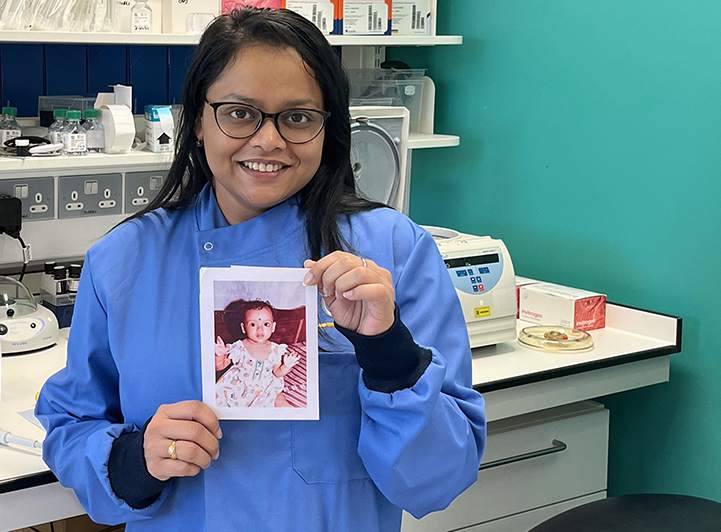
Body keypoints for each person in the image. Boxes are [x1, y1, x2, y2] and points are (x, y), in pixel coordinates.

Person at [35, 7, 487, 531]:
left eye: (297, 117)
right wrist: (134, 461)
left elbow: (442, 478)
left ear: (326, 129)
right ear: (199, 122)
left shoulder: (392, 251)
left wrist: (387, 351)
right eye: (240, 112)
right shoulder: (124, 261)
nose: (268, 140)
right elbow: (72, 424)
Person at [214, 300, 300, 408]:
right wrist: (220, 355)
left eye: (266, 324)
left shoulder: (276, 350)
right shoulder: (239, 347)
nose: (260, 329)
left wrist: (286, 366)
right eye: (253, 324)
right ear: (243, 328)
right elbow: (219, 366)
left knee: (279, 397)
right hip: (239, 388)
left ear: (273, 327)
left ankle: (291, 416)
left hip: (266, 388)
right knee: (220, 399)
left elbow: (277, 373)